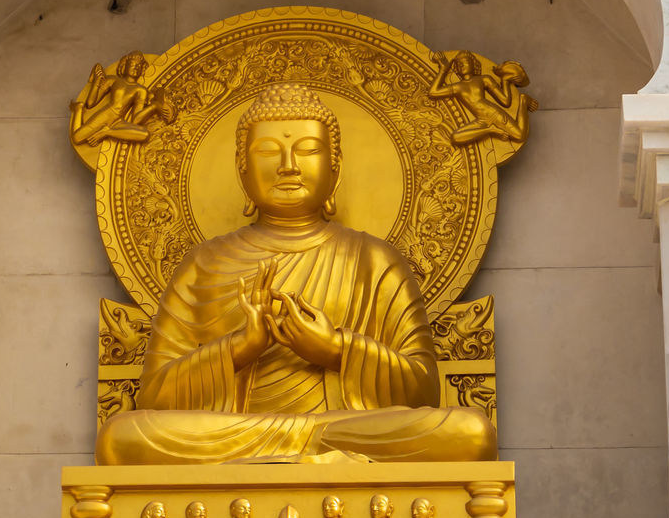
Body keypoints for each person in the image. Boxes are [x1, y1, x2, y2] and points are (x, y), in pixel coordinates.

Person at [95, 83, 496, 465]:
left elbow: (423, 389)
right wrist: (241, 347)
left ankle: (299, 445)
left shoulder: (374, 259)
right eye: (268, 151)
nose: (288, 166)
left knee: (471, 431)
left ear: (334, 167)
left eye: (307, 150)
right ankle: (300, 446)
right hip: (239, 431)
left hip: (344, 428)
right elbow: (154, 394)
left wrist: (336, 350)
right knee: (121, 436)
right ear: (242, 168)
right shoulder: (204, 262)